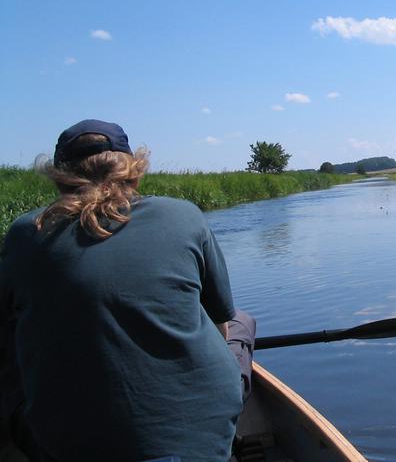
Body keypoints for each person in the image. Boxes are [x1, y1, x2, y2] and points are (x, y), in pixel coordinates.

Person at [0, 120, 245, 462]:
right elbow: (221, 325)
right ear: (133, 170)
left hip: (70, 447)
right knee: (241, 325)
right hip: (201, 439)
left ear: (59, 178)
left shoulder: (26, 233)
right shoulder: (183, 215)